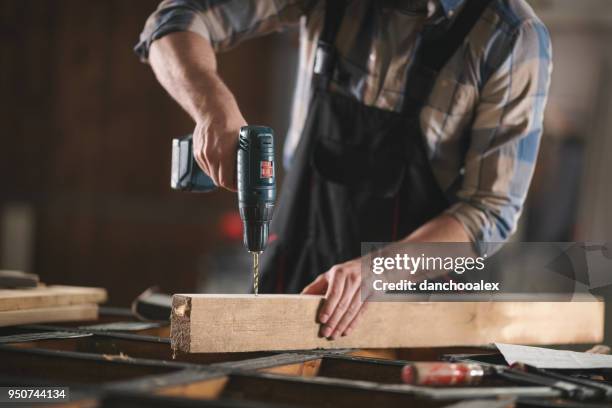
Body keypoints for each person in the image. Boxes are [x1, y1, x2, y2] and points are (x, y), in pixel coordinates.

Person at [136, 0, 552, 340]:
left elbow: (490, 210)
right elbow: (174, 20)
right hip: (293, 271)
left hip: (400, 313)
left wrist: (374, 271)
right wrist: (212, 106)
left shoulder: (510, 37)